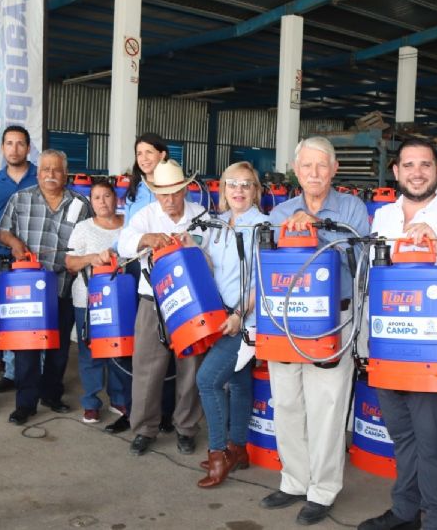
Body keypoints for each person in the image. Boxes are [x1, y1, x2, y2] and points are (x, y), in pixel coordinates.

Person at [358, 138, 437, 530]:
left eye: (425, 165)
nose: (417, 172)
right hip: (387, 342)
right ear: (395, 171)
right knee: (402, 435)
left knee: (432, 440)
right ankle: (404, 512)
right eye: (409, 165)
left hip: (435, 346)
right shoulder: (381, 217)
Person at [261, 137, 369, 526]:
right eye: (307, 166)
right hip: (288, 320)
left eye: (322, 166)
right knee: (287, 402)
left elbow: (360, 260)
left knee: (326, 408)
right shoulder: (280, 212)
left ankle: (322, 489)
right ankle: (293, 480)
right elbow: (270, 262)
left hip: (333, 322)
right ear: (296, 170)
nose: (314, 173)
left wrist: (317, 230)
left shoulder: (353, 208)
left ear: (334, 169)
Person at [117, 159, 206, 456]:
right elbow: (124, 244)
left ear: (184, 190)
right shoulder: (145, 216)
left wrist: (194, 242)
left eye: (175, 193)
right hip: (152, 301)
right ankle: (144, 429)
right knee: (146, 367)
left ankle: (186, 428)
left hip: (191, 303)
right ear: (156, 194)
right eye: (163, 194)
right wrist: (146, 238)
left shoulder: (201, 215)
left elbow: (214, 251)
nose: (169, 200)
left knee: (190, 368)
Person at [0, 149, 91, 425]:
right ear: (37, 173)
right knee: (27, 348)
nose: (51, 174)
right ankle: (25, 404)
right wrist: (14, 243)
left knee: (58, 347)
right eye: (45, 169)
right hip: (29, 291)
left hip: (63, 286)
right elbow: (3, 231)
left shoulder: (80, 204)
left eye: (57, 170)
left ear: (66, 173)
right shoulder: (21, 199)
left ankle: (51, 394)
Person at [195, 162, 269, 488]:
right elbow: (209, 264)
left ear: (256, 190)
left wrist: (239, 314)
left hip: (244, 321)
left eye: (246, 184)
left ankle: (218, 454)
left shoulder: (265, 226)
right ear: (223, 189)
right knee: (238, 381)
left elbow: (263, 281)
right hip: (218, 318)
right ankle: (239, 448)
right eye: (231, 184)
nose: (238, 190)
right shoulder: (216, 223)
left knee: (207, 380)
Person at [120, 132, 178, 435]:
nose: (143, 158)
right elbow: (127, 237)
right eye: (138, 152)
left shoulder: (179, 191)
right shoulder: (135, 191)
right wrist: (142, 239)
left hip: (177, 286)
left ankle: (170, 417)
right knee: (146, 355)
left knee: (178, 361)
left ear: (163, 155)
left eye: (149, 152)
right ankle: (140, 419)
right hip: (141, 275)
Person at [65, 180, 131, 425]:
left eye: (107, 196)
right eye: (96, 197)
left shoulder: (129, 227)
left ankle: (118, 398)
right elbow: (70, 262)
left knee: (119, 350)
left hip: (121, 301)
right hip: (87, 299)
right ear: (90, 202)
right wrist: (91, 258)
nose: (102, 202)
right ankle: (91, 403)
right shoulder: (83, 228)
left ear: (116, 199)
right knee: (89, 351)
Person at [0, 125, 38, 390]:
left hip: (38, 262)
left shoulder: (42, 177)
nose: (14, 149)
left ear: (28, 148)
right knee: (7, 317)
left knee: (35, 318)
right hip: (3, 260)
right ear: (2, 148)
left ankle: (37, 375)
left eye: (20, 144)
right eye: (9, 143)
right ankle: (10, 372)